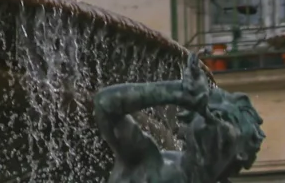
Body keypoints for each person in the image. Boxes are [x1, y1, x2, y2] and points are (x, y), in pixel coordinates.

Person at [94, 62, 265, 182]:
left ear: (240, 152)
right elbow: (105, 104)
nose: (215, 125)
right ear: (189, 125)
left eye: (225, 119)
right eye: (210, 113)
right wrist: (180, 93)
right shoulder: (149, 163)